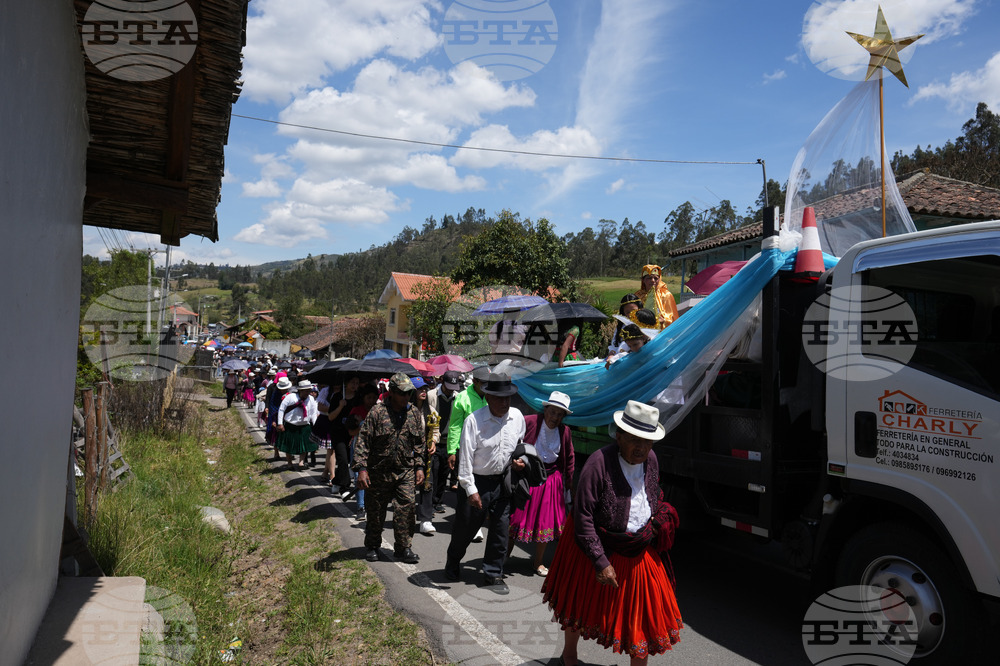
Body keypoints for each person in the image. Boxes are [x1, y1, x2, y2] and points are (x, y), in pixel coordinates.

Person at [541, 400, 682, 665]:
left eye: (648, 442)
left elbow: (652, 492)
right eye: (635, 439)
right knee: (578, 601)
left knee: (643, 616)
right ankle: (569, 656)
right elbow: (583, 515)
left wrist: (657, 520)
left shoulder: (651, 459)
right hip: (594, 541)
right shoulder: (599, 463)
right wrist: (600, 560)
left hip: (636, 546)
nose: (641, 448)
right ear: (619, 436)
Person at [445, 371, 527, 595]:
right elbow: (465, 459)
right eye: (499, 398)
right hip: (477, 481)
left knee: (500, 530)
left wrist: (520, 462)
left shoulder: (517, 417)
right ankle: (453, 561)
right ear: (488, 397)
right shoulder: (474, 421)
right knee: (466, 529)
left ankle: (493, 573)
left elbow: (520, 445)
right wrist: (470, 489)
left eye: (507, 398)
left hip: (503, 482)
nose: (504, 403)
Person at [353, 373, 425, 564]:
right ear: (391, 392)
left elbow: (419, 443)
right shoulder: (377, 412)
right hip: (379, 471)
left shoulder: (414, 413)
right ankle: (373, 545)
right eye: (402, 393)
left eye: (408, 393)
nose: (406, 397)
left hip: (405, 471)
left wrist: (419, 466)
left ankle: (403, 547)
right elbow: (363, 442)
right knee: (376, 511)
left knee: (407, 507)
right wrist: (362, 469)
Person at [508, 391, 575, 576]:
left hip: (551, 481)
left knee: (545, 522)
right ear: (545, 410)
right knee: (515, 518)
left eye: (560, 414)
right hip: (528, 476)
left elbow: (569, 457)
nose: (555, 417)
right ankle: (504, 555)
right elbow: (513, 442)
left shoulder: (565, 431)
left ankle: (538, 562)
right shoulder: (529, 422)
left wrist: (569, 482)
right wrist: (514, 462)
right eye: (552, 412)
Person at [447, 366, 490, 542]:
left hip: (485, 451)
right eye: (484, 382)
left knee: (481, 488)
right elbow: (455, 426)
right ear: (476, 382)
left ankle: (476, 525)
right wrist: (452, 451)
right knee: (465, 488)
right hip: (465, 450)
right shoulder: (463, 398)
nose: (487, 386)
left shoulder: (491, 397)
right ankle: (463, 523)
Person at [410, 377, 440, 535]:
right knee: (408, 486)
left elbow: (436, 430)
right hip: (408, 453)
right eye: (419, 389)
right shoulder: (406, 409)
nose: (423, 391)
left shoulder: (431, 410)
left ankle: (425, 520)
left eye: (425, 389)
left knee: (427, 485)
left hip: (426, 453)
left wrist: (433, 441)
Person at [432, 371, 461, 512]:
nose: (450, 390)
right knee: (433, 473)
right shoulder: (432, 396)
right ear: (442, 381)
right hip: (434, 442)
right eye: (448, 386)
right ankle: (429, 503)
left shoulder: (458, 398)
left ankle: (438, 501)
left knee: (444, 474)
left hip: (450, 443)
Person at [276, 380, 319, 470]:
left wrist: (316, 426)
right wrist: (280, 423)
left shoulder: (311, 399)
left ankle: (301, 462)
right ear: (300, 390)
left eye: (309, 390)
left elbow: (313, 414)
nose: (307, 392)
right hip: (290, 425)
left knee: (305, 445)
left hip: (305, 425)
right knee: (289, 445)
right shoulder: (290, 397)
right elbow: (281, 409)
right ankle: (289, 463)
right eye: (306, 391)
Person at [635, 265, 679, 330]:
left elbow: (673, 318)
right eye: (649, 278)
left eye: (656, 278)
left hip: (661, 331)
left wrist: (662, 321)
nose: (653, 280)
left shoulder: (666, 295)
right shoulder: (638, 296)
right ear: (643, 280)